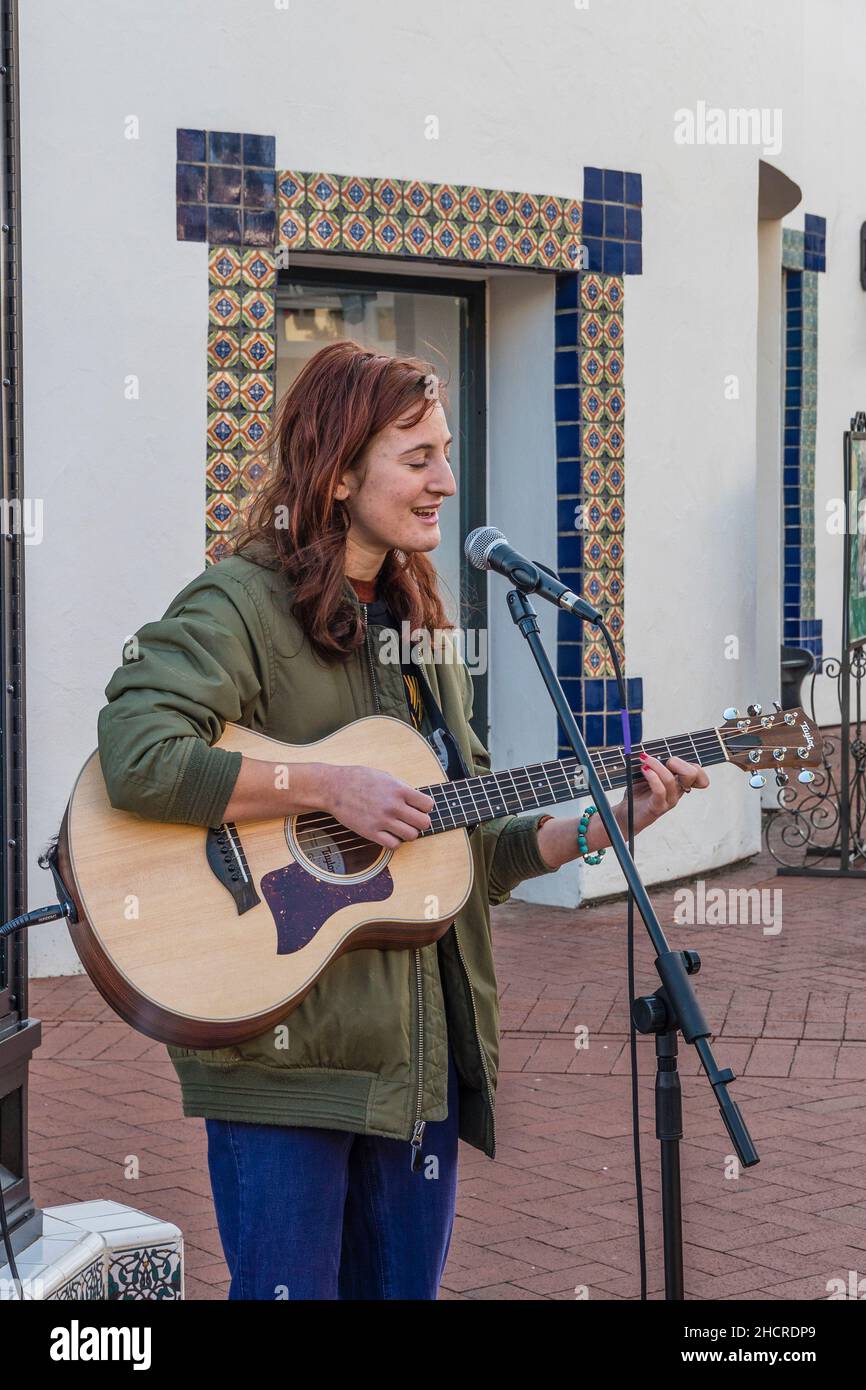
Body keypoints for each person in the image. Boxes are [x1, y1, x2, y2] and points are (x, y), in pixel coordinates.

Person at [96, 340, 709, 1300]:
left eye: (448, 454)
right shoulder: (242, 601)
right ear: (339, 471)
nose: (446, 483)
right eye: (417, 458)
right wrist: (324, 789)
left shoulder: (421, 626)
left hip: (419, 1068)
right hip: (287, 1064)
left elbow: (470, 848)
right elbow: (138, 753)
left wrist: (608, 823)